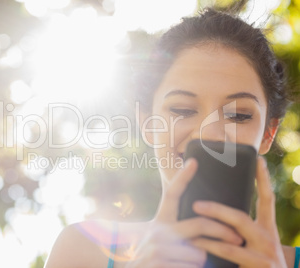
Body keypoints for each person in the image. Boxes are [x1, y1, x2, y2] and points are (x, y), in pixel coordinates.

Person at [44, 7, 300, 268]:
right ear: (147, 123)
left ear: (269, 133)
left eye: (239, 115)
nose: (208, 134)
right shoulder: (83, 250)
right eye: (182, 110)